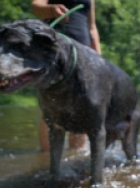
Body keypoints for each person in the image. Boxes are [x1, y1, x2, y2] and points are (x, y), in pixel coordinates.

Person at [31, 0, 101, 152]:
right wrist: (51, 9)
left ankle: (75, 157)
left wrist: (98, 57)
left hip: (83, 50)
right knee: (52, 103)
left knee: (82, 104)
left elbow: (92, 26)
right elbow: (36, 6)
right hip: (53, 47)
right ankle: (47, 158)